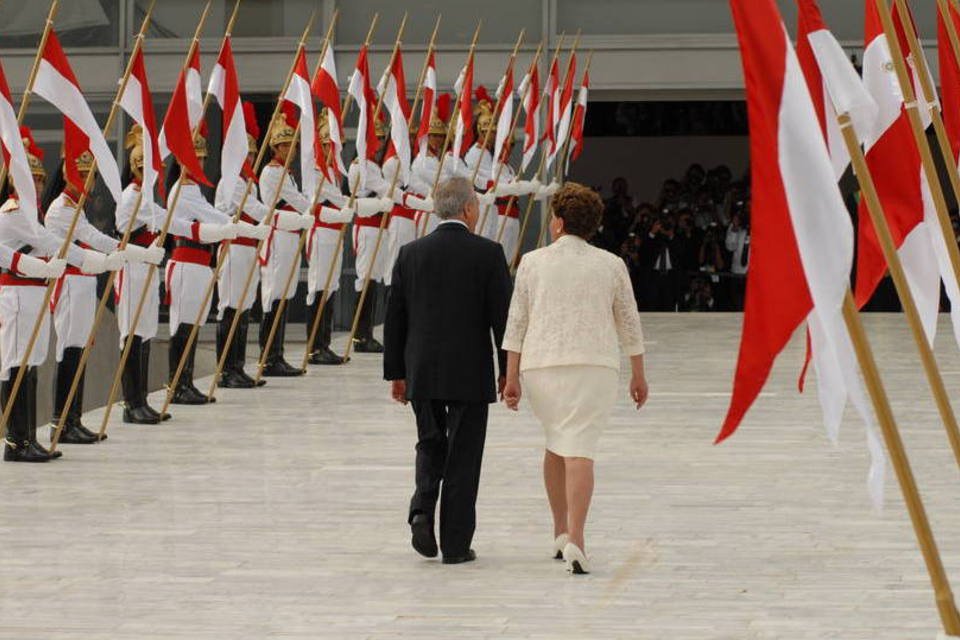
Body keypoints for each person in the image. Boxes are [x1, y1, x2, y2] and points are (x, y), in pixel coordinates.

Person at [501, 182, 648, 575]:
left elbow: (517, 323)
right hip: (595, 366)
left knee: (555, 440)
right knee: (580, 446)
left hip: (541, 366)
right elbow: (629, 322)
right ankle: (577, 538)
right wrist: (639, 373)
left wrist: (510, 376)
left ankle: (560, 531)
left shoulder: (532, 262)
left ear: (559, 222)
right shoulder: (611, 264)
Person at [383, 176, 512, 565]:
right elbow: (502, 320)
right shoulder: (489, 253)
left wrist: (397, 373)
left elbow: (395, 318)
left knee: (429, 443)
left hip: (421, 369)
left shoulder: (410, 253)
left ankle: (422, 510)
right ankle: (456, 543)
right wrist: (509, 370)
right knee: (464, 455)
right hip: (469, 372)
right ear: (469, 209)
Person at [117, 126, 234, 420]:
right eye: (144, 167)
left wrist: (220, 229)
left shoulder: (148, 197)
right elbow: (164, 227)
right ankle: (133, 402)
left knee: (145, 332)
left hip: (149, 269)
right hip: (134, 269)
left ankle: (144, 399)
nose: (150, 173)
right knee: (133, 334)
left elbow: (175, 225)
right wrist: (222, 227)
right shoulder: (132, 197)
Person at [44, 149, 152, 444]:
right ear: (71, 176)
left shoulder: (75, 208)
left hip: (83, 286)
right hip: (69, 285)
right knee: (68, 351)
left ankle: (73, 419)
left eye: (91, 176)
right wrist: (106, 262)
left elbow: (95, 237)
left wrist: (130, 251)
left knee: (79, 351)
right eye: (85, 175)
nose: (90, 182)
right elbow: (73, 251)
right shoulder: (60, 209)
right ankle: (61, 422)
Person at [214, 101, 271, 387]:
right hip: (235, 246)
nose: (250, 154)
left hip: (249, 247)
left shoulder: (250, 178)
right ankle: (226, 370)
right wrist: (271, 218)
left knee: (246, 305)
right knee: (232, 306)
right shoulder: (232, 180)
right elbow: (253, 208)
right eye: (246, 150)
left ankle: (238, 365)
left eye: (252, 149)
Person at [258, 109, 315, 375]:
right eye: (286, 146)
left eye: (293, 146)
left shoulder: (286, 171)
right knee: (275, 294)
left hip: (290, 236)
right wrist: (312, 211)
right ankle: (268, 356)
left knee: (286, 293)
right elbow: (294, 199)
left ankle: (276, 353)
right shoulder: (272, 172)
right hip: (279, 235)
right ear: (275, 147)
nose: (291, 150)